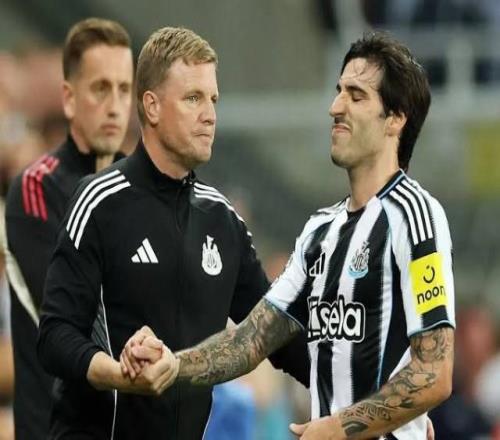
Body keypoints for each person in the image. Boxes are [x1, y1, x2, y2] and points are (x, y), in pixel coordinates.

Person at [123, 31, 455, 439]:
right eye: (338, 92)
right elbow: (251, 340)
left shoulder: (416, 216)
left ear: (395, 118)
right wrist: (173, 365)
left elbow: (434, 372)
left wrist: (337, 428)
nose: (336, 107)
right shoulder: (320, 232)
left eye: (356, 96)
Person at [37, 26, 308, 440]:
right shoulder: (99, 201)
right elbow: (55, 336)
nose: (210, 115)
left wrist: (375, 404)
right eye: (193, 98)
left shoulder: (223, 221)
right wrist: (120, 375)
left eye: (213, 99)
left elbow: (280, 337)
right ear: (152, 106)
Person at [3, 18, 133, 440]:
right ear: (69, 98)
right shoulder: (36, 188)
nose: (114, 105)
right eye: (100, 88)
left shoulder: (145, 192)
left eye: (124, 89)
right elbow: (74, 315)